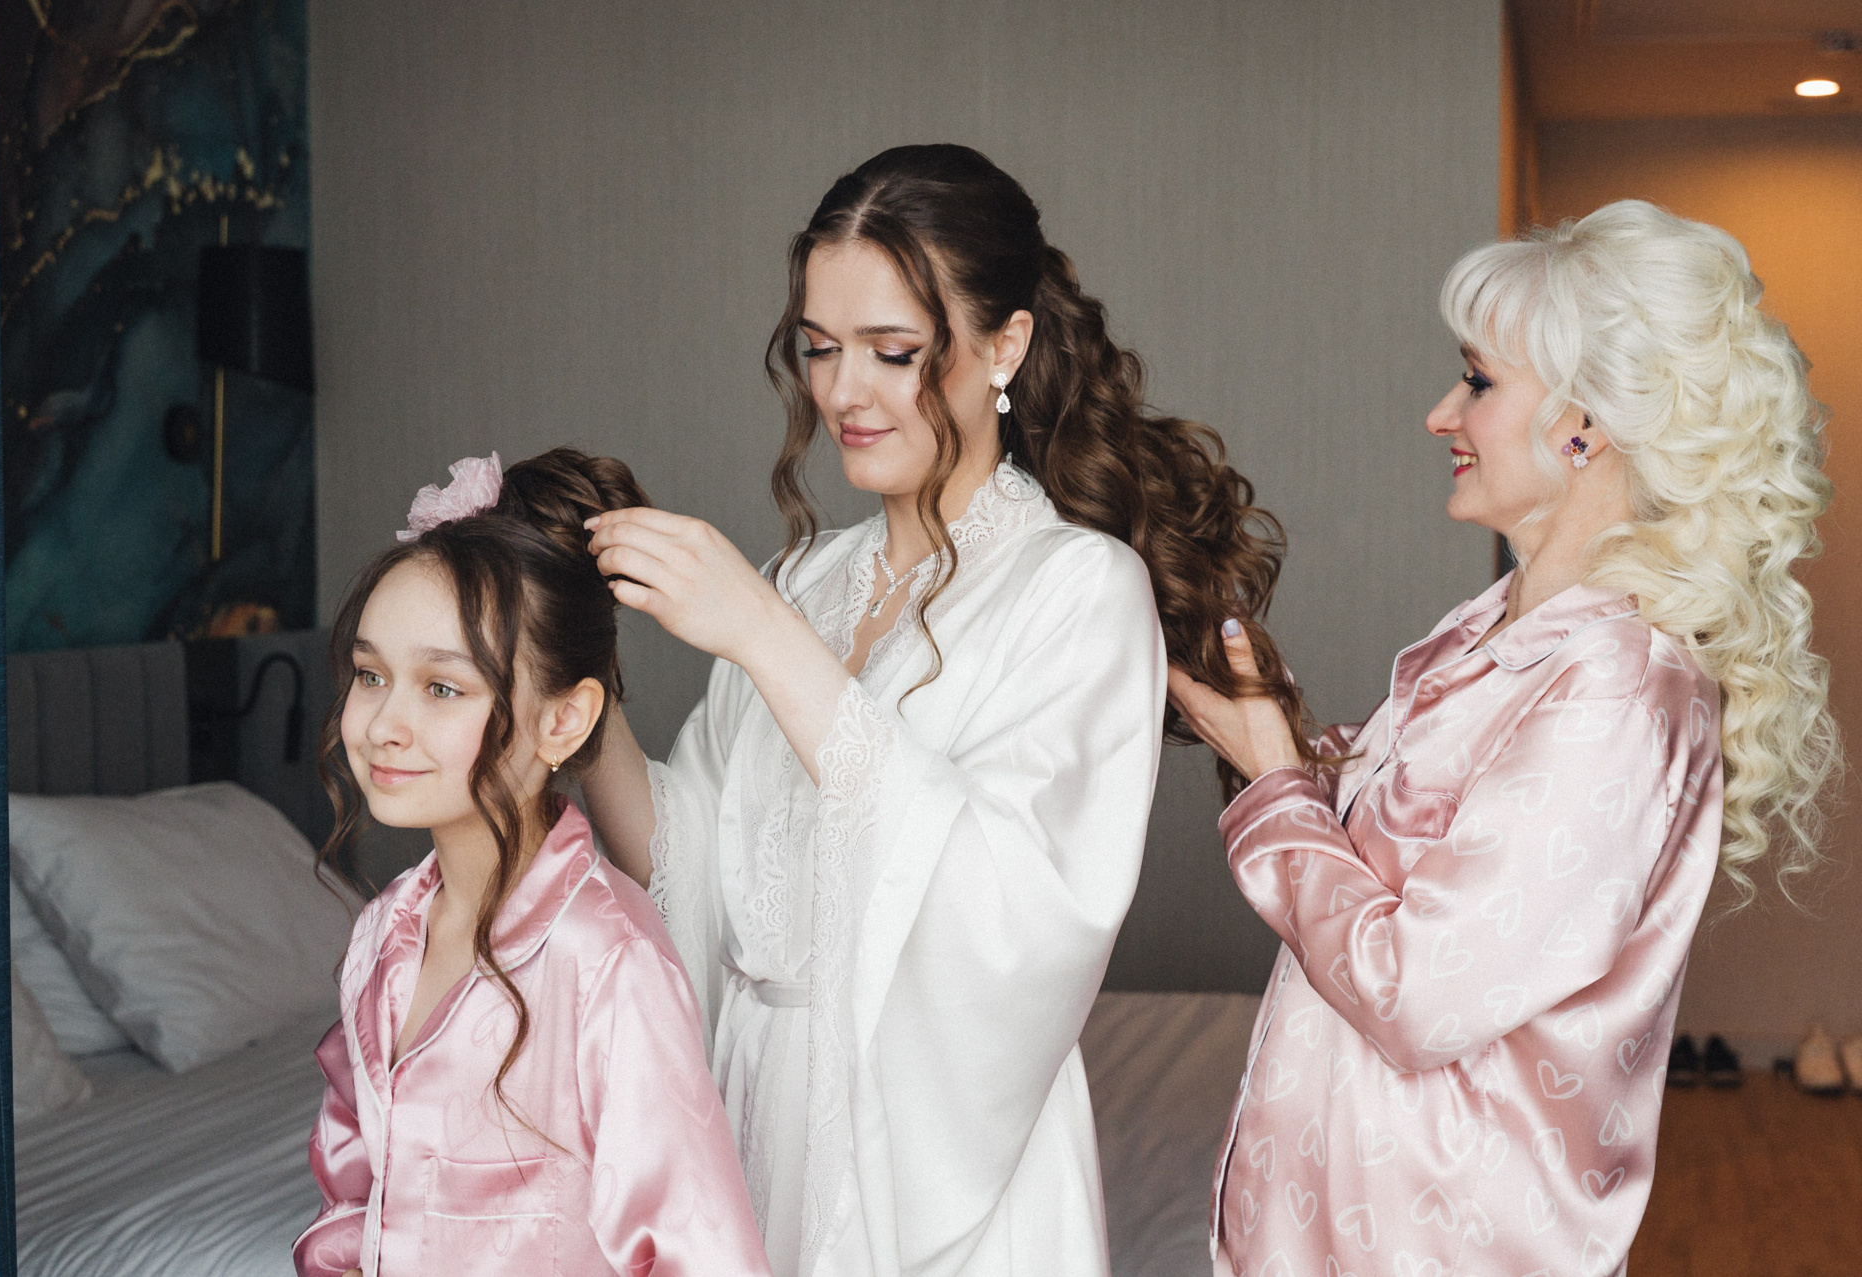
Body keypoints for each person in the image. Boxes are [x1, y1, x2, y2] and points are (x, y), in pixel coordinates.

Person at [578, 143, 1317, 1277]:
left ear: (1005, 345)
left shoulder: (1077, 589)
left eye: (893, 351)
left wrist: (760, 635)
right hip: (756, 1125)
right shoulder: (803, 582)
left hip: (929, 1172)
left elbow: (1015, 919)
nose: (842, 393)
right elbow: (689, 874)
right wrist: (584, 700)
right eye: (819, 347)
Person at [1170, 200, 1840, 1277]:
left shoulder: (1620, 689)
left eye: (1476, 381)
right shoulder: (1490, 635)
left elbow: (1416, 990)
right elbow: (1403, 840)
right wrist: (1283, 736)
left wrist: (1274, 783)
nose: (1442, 413)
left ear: (1585, 423)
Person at [292, 449, 772, 1277]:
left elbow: (702, 1255)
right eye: (370, 674)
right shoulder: (382, 936)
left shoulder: (607, 960)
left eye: (442, 687)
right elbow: (352, 1202)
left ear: (564, 720)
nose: (383, 725)